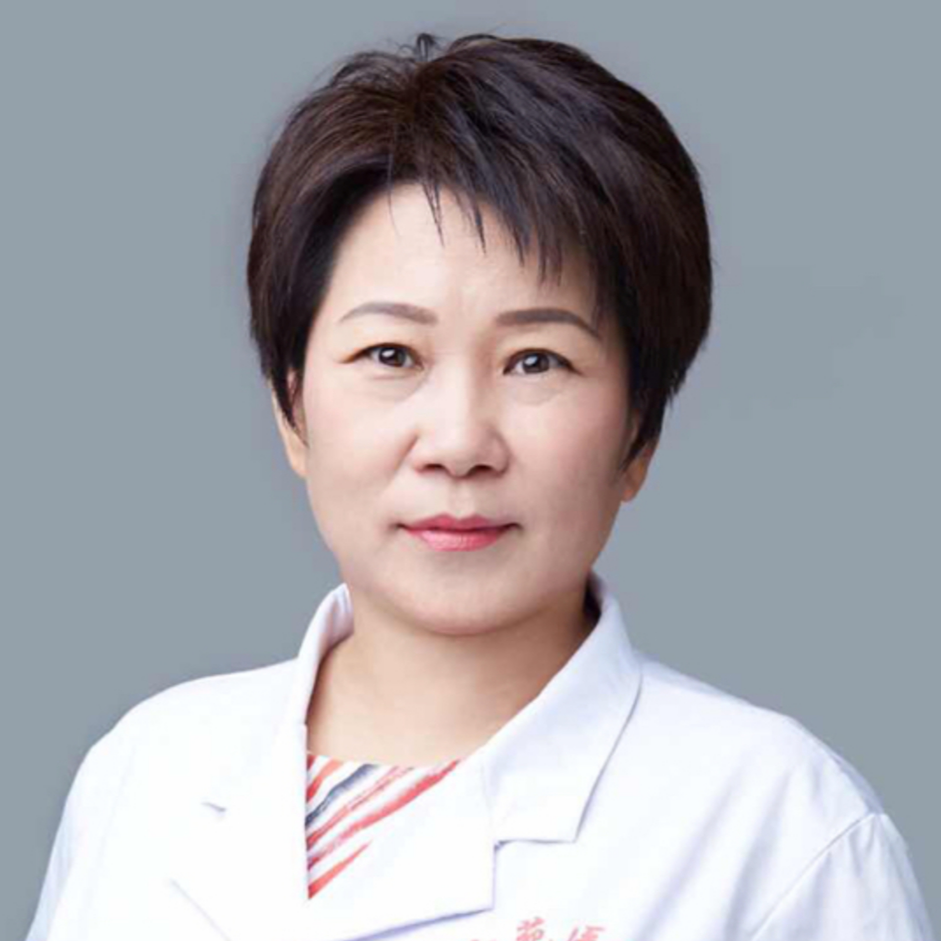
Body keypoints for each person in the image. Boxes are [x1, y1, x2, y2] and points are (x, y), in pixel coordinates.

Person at [25, 30, 935, 941]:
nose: (458, 443)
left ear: (639, 430)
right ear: (291, 407)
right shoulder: (146, 774)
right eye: (390, 354)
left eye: (536, 360)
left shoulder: (780, 831)